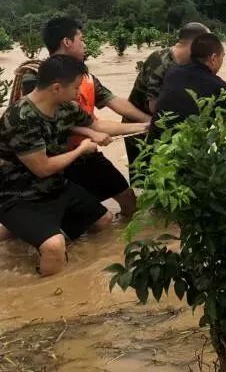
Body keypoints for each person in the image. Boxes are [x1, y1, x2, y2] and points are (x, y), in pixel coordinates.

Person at [0, 56, 148, 276]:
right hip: (19, 195)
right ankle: (49, 295)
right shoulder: (20, 117)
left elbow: (96, 124)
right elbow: (43, 168)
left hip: (55, 186)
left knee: (104, 221)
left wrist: (145, 125)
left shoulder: (66, 106)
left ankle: (75, 269)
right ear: (57, 87)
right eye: (76, 87)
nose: (79, 93)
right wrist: (80, 149)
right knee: (54, 246)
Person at [19, 17, 150, 217]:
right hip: (56, 159)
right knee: (72, 220)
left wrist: (148, 121)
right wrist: (90, 132)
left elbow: (114, 102)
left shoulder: (86, 77)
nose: (85, 44)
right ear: (67, 42)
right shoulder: (37, 76)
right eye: (82, 39)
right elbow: (44, 120)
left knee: (129, 201)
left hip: (88, 154)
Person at [124, 22, 209, 168]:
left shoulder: (189, 64)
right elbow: (155, 107)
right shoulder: (160, 62)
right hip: (140, 130)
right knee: (147, 181)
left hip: (164, 128)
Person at [149, 33, 226, 141]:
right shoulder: (218, 86)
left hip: (153, 148)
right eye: (222, 56)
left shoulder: (172, 72)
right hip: (183, 153)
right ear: (214, 58)